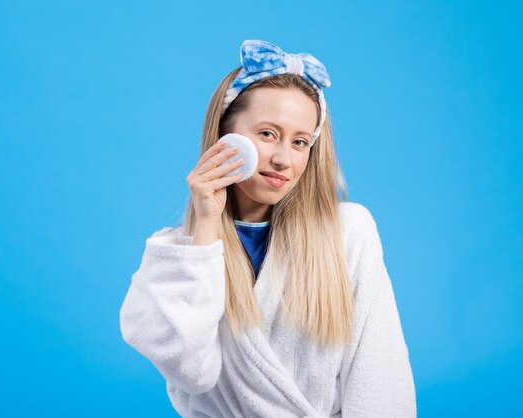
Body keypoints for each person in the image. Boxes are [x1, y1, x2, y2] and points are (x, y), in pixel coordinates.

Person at [119, 39, 416, 417]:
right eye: (267, 134)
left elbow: (380, 374)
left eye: (300, 142)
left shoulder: (348, 232)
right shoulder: (178, 257)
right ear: (226, 135)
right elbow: (192, 373)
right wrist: (207, 222)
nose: (282, 159)